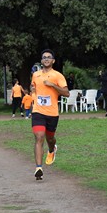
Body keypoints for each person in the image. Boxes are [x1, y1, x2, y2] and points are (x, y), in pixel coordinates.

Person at [31, 49, 69, 180]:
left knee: (50, 138)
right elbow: (33, 88)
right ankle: (38, 168)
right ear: (41, 61)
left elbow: (66, 93)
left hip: (52, 113)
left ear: (53, 60)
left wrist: (53, 85)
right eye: (44, 57)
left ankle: (52, 149)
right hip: (38, 111)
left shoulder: (58, 76)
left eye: (49, 57)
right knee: (39, 137)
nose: (46, 59)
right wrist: (33, 92)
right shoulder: (35, 75)